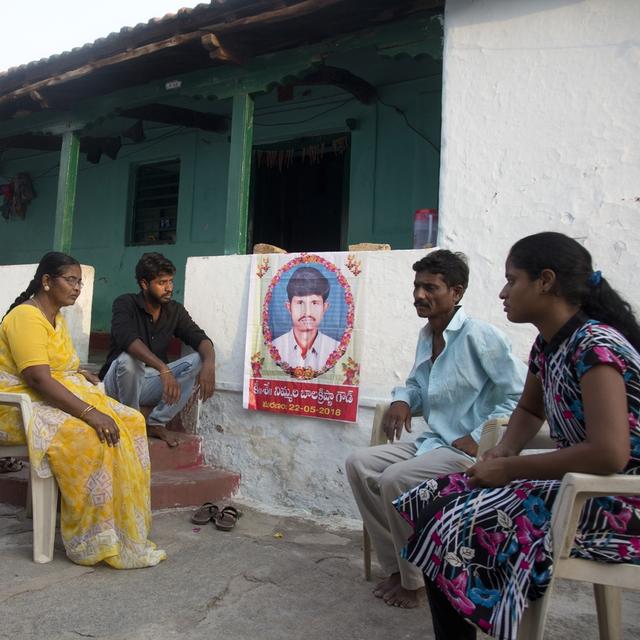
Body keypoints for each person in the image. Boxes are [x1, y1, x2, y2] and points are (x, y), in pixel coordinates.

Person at [395, 232, 640, 640]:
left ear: (545, 281)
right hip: (578, 486)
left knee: (452, 523)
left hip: (616, 501)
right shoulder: (549, 347)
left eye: (512, 280)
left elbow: (610, 454)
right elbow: (528, 409)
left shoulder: (595, 346)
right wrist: (503, 450)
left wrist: (512, 468)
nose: (503, 292)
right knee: (429, 502)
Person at [346, 250, 526, 609]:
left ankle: (415, 582)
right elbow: (417, 386)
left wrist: (477, 438)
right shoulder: (428, 334)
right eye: (416, 286)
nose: (419, 295)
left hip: (466, 451)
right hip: (434, 443)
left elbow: (519, 395)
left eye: (430, 287)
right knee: (358, 463)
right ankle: (397, 566)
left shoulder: (480, 335)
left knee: (395, 479)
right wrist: (402, 400)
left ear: (456, 293)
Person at [0, 252, 165, 568]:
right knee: (89, 432)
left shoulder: (55, 317)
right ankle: (92, 537)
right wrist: (89, 411)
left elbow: (58, 365)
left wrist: (79, 375)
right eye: (71, 280)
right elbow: (36, 376)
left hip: (44, 400)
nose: (78, 287)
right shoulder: (25, 317)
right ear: (47, 282)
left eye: (80, 281)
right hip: (17, 408)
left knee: (130, 420)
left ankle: (119, 525)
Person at [99, 252, 215, 448]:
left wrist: (210, 363)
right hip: (118, 383)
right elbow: (127, 340)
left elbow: (199, 337)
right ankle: (132, 422)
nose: (169, 288)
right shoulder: (125, 303)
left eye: (170, 281)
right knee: (129, 359)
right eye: (162, 282)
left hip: (150, 383)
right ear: (144, 284)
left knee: (198, 359)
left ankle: (156, 422)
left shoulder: (175, 310)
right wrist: (163, 368)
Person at [271, 266, 340, 371]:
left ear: (324, 307)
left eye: (314, 303)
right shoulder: (273, 348)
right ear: (289, 307)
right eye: (299, 303)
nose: (307, 312)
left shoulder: (336, 349)